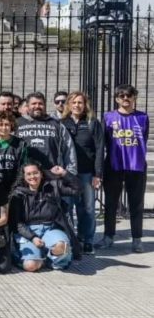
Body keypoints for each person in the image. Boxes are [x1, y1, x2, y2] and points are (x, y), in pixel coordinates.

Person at [97, 85, 149, 253]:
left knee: (137, 204)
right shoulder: (108, 117)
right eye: (122, 95)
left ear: (134, 97)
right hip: (114, 165)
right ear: (116, 98)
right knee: (111, 203)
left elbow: (144, 138)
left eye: (129, 95)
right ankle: (108, 236)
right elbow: (103, 141)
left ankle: (137, 239)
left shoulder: (143, 117)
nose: (125, 98)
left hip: (136, 165)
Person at [10, 163, 78, 272]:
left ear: (41, 174)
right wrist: (33, 237)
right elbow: (17, 223)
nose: (33, 177)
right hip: (28, 232)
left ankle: (50, 258)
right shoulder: (18, 194)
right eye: (29, 174)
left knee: (62, 247)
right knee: (31, 266)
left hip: (51, 228)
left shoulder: (53, 186)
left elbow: (77, 189)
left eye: (35, 173)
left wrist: (64, 173)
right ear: (24, 176)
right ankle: (36, 258)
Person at [60, 91, 104, 254]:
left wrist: (98, 174)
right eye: (74, 102)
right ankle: (71, 238)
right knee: (67, 206)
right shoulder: (62, 123)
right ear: (69, 105)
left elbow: (100, 149)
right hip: (68, 173)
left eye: (80, 102)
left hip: (87, 172)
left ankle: (87, 239)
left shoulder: (93, 122)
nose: (77, 105)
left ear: (85, 105)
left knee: (87, 208)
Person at [16, 92, 77, 175]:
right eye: (34, 104)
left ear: (45, 105)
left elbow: (69, 149)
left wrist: (70, 173)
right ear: (27, 106)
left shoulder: (56, 124)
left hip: (53, 173)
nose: (37, 106)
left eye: (40, 104)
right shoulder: (17, 124)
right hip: (26, 175)